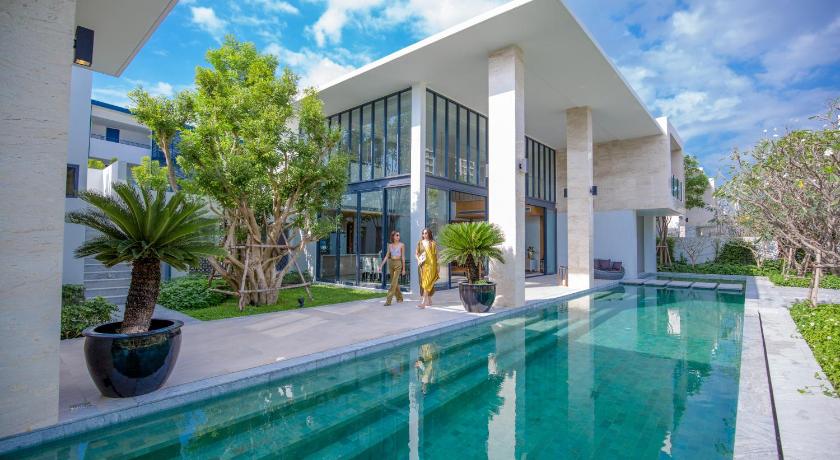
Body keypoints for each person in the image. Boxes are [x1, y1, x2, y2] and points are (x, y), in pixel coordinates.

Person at [379, 230, 405, 306]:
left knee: (393, 283)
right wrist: (381, 265)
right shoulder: (390, 246)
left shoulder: (402, 245)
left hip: (398, 264)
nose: (398, 237)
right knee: (394, 282)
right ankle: (400, 298)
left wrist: (403, 269)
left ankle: (388, 300)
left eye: (399, 235)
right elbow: (387, 256)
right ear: (393, 236)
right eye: (397, 235)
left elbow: (403, 257)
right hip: (391, 263)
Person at [416, 227, 439, 308]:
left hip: (432, 265)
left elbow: (437, 255)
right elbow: (416, 253)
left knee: (426, 283)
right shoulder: (420, 243)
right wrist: (418, 259)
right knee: (425, 283)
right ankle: (429, 300)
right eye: (423, 233)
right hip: (423, 266)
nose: (424, 235)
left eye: (426, 233)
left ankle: (423, 302)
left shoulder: (433, 243)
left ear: (429, 234)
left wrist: (438, 266)